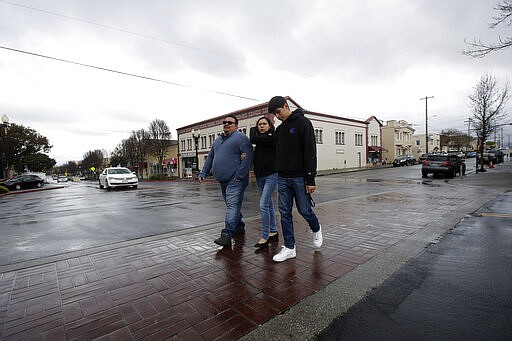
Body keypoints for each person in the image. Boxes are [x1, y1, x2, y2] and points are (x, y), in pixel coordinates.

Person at [268, 96, 323, 262]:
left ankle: (316, 228)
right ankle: (290, 247)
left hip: (299, 177)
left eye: (278, 112)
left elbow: (310, 151)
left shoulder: (303, 123)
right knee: (285, 213)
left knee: (304, 210)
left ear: (286, 106)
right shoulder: (280, 129)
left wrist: (310, 178)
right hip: (283, 177)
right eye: (275, 115)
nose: (277, 116)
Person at [199, 115, 254, 247]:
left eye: (230, 122)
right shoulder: (217, 140)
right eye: (225, 122)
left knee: (232, 206)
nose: (226, 124)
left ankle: (226, 234)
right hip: (222, 180)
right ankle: (239, 228)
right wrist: (204, 172)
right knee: (232, 206)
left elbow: (248, 158)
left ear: (236, 125)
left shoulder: (241, 139)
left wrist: (239, 175)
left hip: (236, 181)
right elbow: (211, 157)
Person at [250, 116, 279, 248]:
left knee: (263, 204)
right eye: (259, 124)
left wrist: (257, 137)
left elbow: (254, 138)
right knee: (268, 204)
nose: (261, 126)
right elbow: (252, 134)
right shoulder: (260, 138)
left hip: (271, 175)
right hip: (260, 175)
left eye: (264, 124)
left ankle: (265, 235)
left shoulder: (273, 136)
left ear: (269, 126)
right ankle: (273, 231)